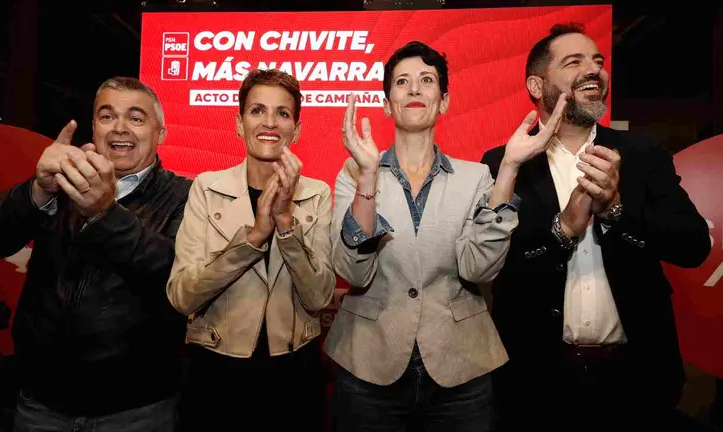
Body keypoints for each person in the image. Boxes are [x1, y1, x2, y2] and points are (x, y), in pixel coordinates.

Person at [324, 40, 567, 431]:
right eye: (402, 82)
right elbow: (355, 272)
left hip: (462, 367)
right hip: (369, 363)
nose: (415, 89)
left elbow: (479, 269)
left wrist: (509, 169)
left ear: (445, 100)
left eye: (427, 80)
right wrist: (368, 177)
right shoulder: (353, 173)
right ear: (387, 103)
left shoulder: (477, 177)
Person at [480, 23, 712, 431]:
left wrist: (617, 211)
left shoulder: (642, 153)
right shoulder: (504, 163)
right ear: (537, 86)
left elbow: (694, 246)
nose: (594, 70)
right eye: (574, 62)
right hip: (537, 383)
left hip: (635, 380)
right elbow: (492, 268)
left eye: (598, 62)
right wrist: (562, 230)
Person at [0, 77, 191, 431]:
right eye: (107, 116)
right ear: (94, 127)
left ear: (160, 132)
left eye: (136, 118)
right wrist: (37, 191)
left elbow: (175, 278)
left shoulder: (186, 196)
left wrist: (104, 213)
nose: (120, 128)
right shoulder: (61, 182)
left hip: (135, 411)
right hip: (41, 406)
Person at [166, 69, 335, 431]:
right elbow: (182, 296)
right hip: (215, 374)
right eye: (257, 111)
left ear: (297, 129)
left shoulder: (317, 193)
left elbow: (319, 296)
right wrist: (255, 236)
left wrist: (286, 223)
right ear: (239, 123)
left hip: (293, 375)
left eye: (282, 113)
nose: (269, 122)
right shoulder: (206, 188)